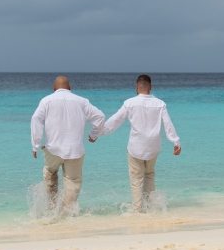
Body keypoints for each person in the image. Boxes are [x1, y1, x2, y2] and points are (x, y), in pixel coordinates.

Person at [93, 74, 181, 212]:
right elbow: (168, 124)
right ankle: (151, 208)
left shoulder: (129, 103)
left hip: (136, 147)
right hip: (153, 147)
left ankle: (137, 210)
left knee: (136, 180)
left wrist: (99, 132)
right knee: (149, 175)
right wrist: (176, 142)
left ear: (137, 87)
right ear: (150, 87)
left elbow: (116, 120)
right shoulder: (160, 104)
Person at [31, 75, 105, 212]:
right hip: (75, 151)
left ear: (54, 89)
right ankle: (67, 214)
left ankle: (52, 209)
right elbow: (100, 117)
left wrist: (35, 144)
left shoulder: (46, 101)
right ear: (70, 88)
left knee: (50, 173)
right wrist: (94, 135)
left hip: (53, 149)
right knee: (73, 182)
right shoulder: (82, 102)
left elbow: (36, 119)